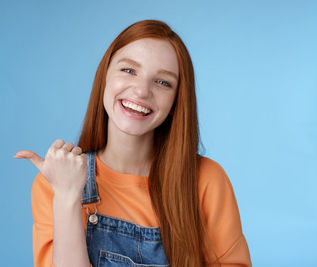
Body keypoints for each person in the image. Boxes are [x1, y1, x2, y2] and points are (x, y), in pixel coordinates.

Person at [14, 19, 252, 267]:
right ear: (104, 76)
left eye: (163, 82)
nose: (141, 91)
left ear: (175, 103)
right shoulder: (56, 182)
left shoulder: (206, 180)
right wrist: (67, 196)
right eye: (129, 70)